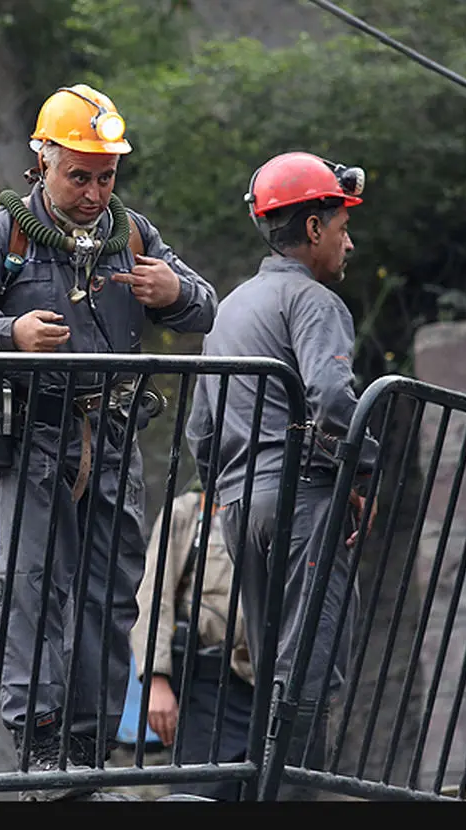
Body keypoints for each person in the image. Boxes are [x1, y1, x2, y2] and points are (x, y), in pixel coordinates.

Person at [0, 83, 217, 801]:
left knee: (111, 597)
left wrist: (169, 292)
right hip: (35, 436)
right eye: (77, 174)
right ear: (42, 160)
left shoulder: (134, 231)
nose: (92, 191)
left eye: (105, 176)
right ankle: (38, 748)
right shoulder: (2, 233)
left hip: (114, 437)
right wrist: (9, 333)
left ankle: (85, 750)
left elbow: (205, 305)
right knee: (31, 589)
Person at [186, 151, 380, 799]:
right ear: (315, 229)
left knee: (276, 668)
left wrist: (227, 492)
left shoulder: (231, 310)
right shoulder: (313, 302)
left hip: (243, 508)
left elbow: (200, 432)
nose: (349, 242)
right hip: (304, 505)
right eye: (341, 225)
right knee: (310, 673)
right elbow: (330, 399)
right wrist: (362, 469)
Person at [131, 484, 254, 802]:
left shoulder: (294, 510)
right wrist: (156, 679)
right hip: (207, 681)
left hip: (271, 682)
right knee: (201, 793)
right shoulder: (192, 511)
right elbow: (153, 596)